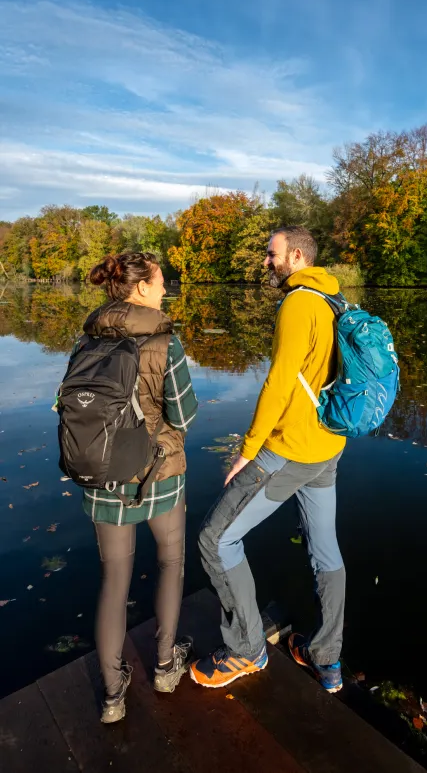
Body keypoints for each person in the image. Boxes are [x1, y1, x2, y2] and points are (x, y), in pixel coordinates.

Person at [190, 226, 346, 692]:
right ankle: (328, 658)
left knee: (216, 541)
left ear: (296, 255)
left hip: (289, 449)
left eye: (272, 253)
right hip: (328, 447)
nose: (266, 261)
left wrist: (248, 449)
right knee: (325, 551)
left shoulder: (299, 303)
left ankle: (246, 650)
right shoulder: (332, 300)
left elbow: (279, 383)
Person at [82, 252, 197, 722]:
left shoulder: (86, 337)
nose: (166, 289)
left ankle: (112, 695)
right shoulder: (164, 342)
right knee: (170, 561)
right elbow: (184, 415)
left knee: (114, 581)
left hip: (103, 471)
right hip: (158, 470)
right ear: (141, 289)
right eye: (161, 282)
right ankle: (166, 667)